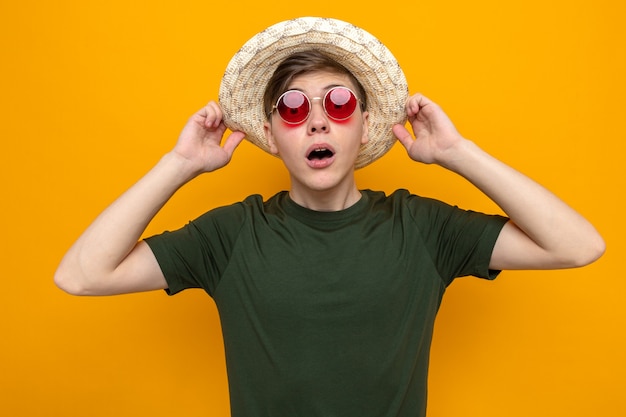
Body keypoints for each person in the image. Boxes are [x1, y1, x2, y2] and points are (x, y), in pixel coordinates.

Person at [54, 17, 605, 417]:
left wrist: (459, 155)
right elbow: (81, 275)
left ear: (365, 126)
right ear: (270, 135)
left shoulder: (423, 229)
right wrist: (177, 166)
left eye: (338, 103)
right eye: (294, 109)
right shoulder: (230, 236)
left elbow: (578, 246)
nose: (317, 122)